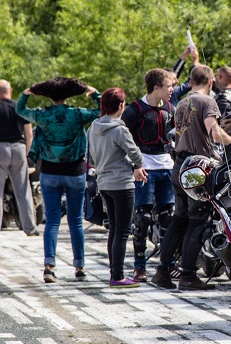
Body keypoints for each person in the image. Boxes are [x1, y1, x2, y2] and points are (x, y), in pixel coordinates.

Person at [151, 65, 231, 291]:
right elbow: (213, 132)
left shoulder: (181, 103)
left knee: (179, 218)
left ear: (191, 81)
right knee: (197, 220)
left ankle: (162, 271)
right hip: (196, 169)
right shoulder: (207, 102)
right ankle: (188, 276)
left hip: (179, 166)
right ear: (211, 82)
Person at [16, 77, 101, 283]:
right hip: (76, 173)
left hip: (50, 173)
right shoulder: (78, 114)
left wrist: (28, 91)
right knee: (75, 222)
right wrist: (92, 91)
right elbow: (102, 110)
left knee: (52, 221)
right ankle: (79, 266)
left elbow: (20, 109)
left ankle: (49, 266)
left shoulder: (42, 116)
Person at [88, 88, 148, 288]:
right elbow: (135, 154)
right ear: (121, 105)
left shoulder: (93, 128)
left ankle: (114, 273)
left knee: (113, 229)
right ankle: (119, 276)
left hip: (104, 183)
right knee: (122, 231)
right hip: (122, 184)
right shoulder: (119, 129)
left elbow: (91, 158)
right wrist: (138, 166)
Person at [121, 69, 176, 282]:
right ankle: (139, 266)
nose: (172, 89)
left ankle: (168, 265)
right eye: (168, 86)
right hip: (144, 166)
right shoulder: (134, 110)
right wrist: (134, 164)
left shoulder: (171, 108)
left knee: (168, 217)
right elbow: (123, 139)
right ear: (156, 88)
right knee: (142, 218)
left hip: (167, 166)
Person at [0, 79, 38, 238]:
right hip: (19, 148)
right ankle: (30, 228)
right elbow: (29, 133)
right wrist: (28, 154)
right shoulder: (19, 107)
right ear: (10, 91)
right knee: (23, 191)